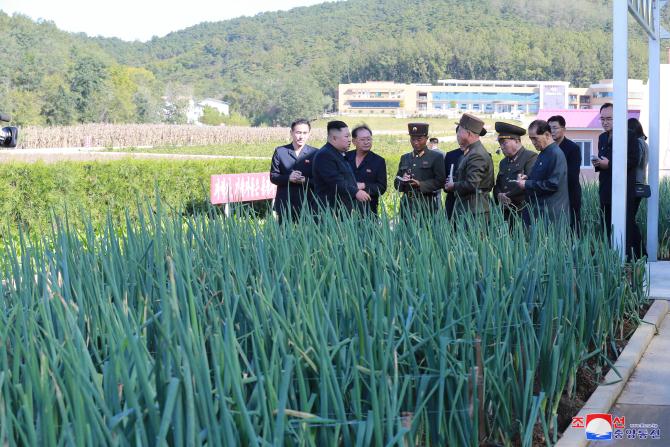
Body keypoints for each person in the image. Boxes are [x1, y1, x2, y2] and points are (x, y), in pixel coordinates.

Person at [592, 103, 641, 258]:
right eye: (602, 119)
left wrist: (609, 164)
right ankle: (611, 257)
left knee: (626, 224)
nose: (605, 122)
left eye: (609, 119)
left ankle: (631, 258)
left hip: (623, 189)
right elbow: (604, 160)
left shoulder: (629, 135)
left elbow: (633, 161)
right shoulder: (602, 137)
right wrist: (598, 163)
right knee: (606, 224)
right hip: (606, 188)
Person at [516, 120, 569, 224]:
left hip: (551, 214)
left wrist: (527, 184)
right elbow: (542, 177)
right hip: (541, 212)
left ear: (547, 135)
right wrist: (527, 178)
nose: (533, 142)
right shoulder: (544, 152)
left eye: (535, 138)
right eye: (531, 139)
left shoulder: (555, 154)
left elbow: (553, 184)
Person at [313, 120, 370, 213]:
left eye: (349, 136)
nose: (349, 140)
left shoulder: (338, 153)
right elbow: (335, 181)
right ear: (334, 138)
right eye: (346, 136)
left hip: (343, 210)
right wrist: (355, 192)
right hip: (330, 211)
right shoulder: (325, 155)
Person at [270, 119, 319, 222]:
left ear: (309, 134)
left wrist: (305, 180)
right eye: (298, 132)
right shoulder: (280, 151)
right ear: (291, 133)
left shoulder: (315, 153)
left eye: (305, 133)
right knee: (284, 236)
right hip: (285, 203)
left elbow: (320, 181)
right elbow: (273, 177)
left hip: (308, 204)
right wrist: (289, 178)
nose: (301, 136)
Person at [444, 113, 494, 217]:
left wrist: (453, 185)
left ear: (469, 134)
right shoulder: (471, 151)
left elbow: (472, 184)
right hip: (467, 209)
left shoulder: (476, 154)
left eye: (460, 130)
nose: (457, 134)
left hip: (474, 212)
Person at [394, 123, 446, 217]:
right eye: (413, 139)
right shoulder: (405, 158)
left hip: (426, 204)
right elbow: (396, 183)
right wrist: (403, 180)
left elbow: (440, 181)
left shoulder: (436, 157)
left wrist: (420, 184)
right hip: (407, 204)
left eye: (419, 139)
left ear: (426, 138)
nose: (415, 142)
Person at [492, 122, 537, 222]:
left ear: (516, 141)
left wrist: (507, 196)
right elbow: (498, 184)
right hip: (505, 213)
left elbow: (529, 183)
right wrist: (499, 194)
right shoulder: (503, 162)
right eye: (500, 144)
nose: (502, 147)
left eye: (504, 143)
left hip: (522, 212)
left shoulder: (530, 157)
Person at [548, 115, 582, 233]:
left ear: (563, 129)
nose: (552, 131)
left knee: (572, 227)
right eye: (549, 128)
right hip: (553, 195)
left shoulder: (573, 148)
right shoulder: (548, 149)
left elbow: (572, 175)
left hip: (569, 194)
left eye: (555, 128)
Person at [345, 125, 387, 215]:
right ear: (354, 141)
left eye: (369, 139)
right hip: (345, 209)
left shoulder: (378, 161)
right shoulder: (345, 157)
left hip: (368, 210)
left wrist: (364, 185)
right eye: (362, 139)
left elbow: (382, 187)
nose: (366, 142)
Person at [627, 117, 648, 257]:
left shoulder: (638, 143)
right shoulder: (644, 143)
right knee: (630, 218)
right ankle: (639, 251)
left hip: (635, 184)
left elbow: (635, 161)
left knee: (629, 219)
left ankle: (641, 252)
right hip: (639, 184)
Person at [443, 147, 463, 219]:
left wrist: (455, 184)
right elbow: (443, 180)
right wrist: (447, 184)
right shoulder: (451, 155)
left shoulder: (482, 155)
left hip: (473, 203)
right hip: (452, 201)